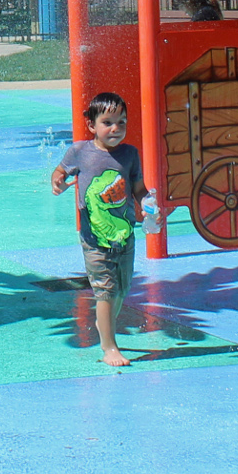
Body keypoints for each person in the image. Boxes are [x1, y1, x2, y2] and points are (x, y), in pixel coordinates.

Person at [51, 92, 158, 368]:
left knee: (121, 289)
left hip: (125, 235)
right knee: (106, 291)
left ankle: (104, 327)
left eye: (121, 122)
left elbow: (138, 189)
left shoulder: (130, 154)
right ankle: (109, 346)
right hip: (94, 240)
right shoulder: (80, 152)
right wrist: (59, 182)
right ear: (92, 125)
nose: (115, 129)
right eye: (108, 122)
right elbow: (59, 172)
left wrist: (149, 204)